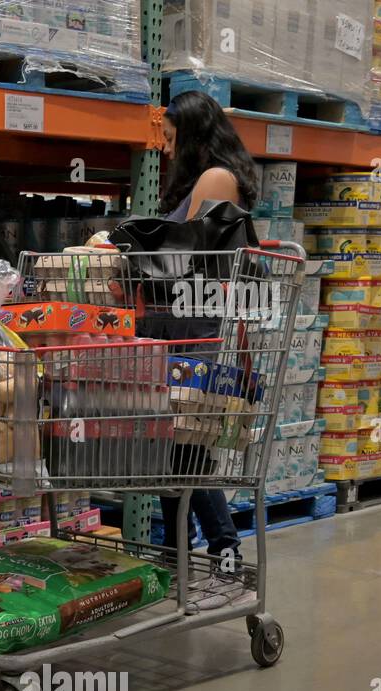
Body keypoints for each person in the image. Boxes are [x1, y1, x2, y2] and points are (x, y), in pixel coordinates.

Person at [156, 90, 259, 587]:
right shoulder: (196, 180)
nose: (166, 149)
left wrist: (127, 247)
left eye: (173, 139)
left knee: (185, 437)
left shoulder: (217, 178)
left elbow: (185, 253)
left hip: (199, 326)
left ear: (194, 135)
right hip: (176, 326)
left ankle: (223, 544)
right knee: (168, 437)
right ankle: (176, 548)